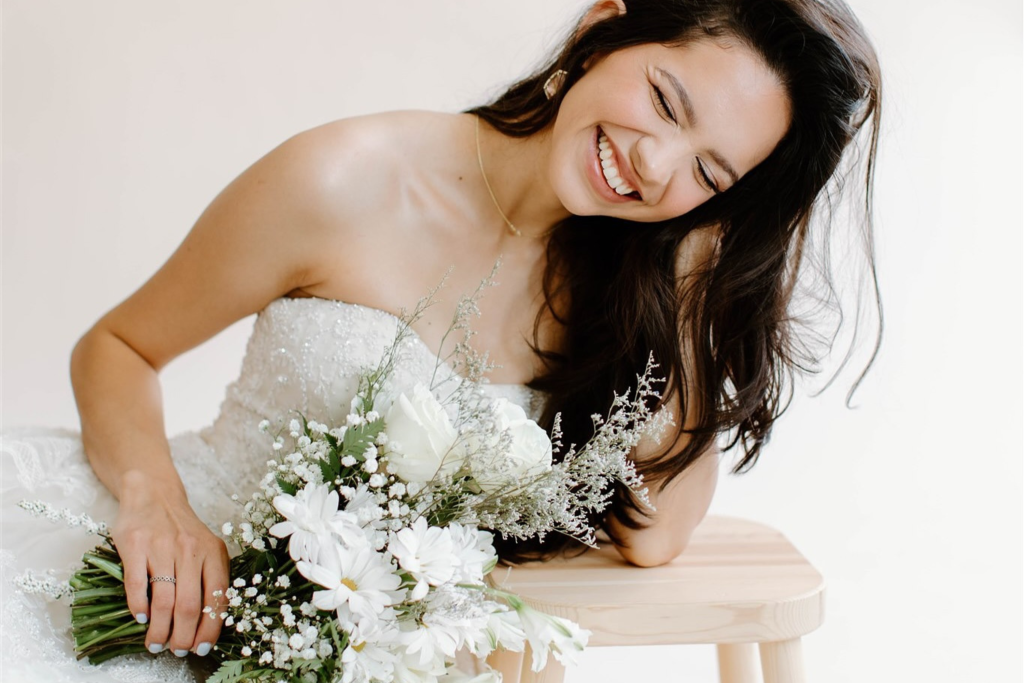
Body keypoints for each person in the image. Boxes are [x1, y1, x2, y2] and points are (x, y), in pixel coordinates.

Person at [0, 0, 881, 680]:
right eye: (663, 100)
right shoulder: (344, 178)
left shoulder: (630, 286)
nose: (656, 165)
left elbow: (654, 539)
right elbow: (118, 344)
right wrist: (158, 507)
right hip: (170, 582)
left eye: (708, 171)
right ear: (601, 29)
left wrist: (695, 283)